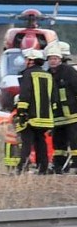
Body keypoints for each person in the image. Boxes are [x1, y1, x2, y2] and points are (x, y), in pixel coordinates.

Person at [16, 48, 55, 175]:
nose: (26, 61)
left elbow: (25, 95)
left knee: (27, 141)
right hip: (45, 118)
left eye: (27, 59)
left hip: (31, 116)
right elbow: (54, 97)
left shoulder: (28, 74)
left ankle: (22, 167)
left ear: (32, 61)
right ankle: (43, 167)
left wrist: (21, 113)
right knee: (41, 142)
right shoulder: (48, 75)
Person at [45, 42, 77, 174]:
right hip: (56, 115)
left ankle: (76, 165)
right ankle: (59, 164)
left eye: (55, 58)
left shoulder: (68, 71)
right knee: (58, 142)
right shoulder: (47, 74)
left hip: (72, 113)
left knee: (75, 139)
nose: (53, 61)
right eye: (50, 58)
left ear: (60, 59)